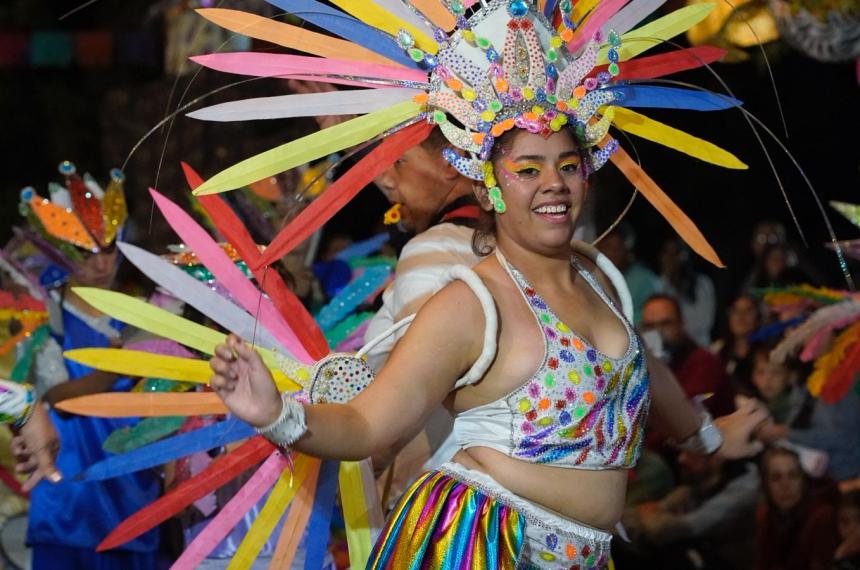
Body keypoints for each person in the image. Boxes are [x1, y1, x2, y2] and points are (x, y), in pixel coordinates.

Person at [208, 125, 767, 567]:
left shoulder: (599, 275)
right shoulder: (469, 303)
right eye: (528, 169)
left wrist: (707, 435)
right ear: (487, 186)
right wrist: (277, 414)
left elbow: (638, 371)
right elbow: (368, 426)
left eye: (569, 165)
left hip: (585, 555)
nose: (554, 183)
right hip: (481, 545)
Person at [10, 164, 161, 569]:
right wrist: (116, 364)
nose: (101, 263)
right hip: (70, 487)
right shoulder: (45, 315)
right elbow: (57, 397)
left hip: (131, 483)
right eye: (86, 252)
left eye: (109, 247)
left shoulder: (146, 311)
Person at [641, 294, 736, 418]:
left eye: (666, 324)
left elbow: (685, 420)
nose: (657, 332)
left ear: (682, 324)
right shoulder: (645, 365)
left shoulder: (705, 363)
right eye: (649, 326)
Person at [756, 447, 839, 570]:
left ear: (803, 480)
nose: (785, 485)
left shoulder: (822, 516)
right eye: (776, 477)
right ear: (766, 484)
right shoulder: (764, 514)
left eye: (793, 475)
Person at [597, 223, 662, 325]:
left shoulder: (645, 279)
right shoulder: (591, 277)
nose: (611, 254)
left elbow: (656, 316)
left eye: (617, 249)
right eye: (607, 247)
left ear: (627, 250)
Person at [657, 237, 717, 346]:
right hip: (670, 349)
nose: (671, 258)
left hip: (698, 346)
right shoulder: (661, 284)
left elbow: (704, 322)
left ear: (685, 256)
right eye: (667, 253)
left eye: (676, 253)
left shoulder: (702, 284)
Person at [712, 294, 762, 397]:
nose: (740, 317)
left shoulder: (765, 353)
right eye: (735, 311)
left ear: (757, 318)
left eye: (748, 311)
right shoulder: (717, 350)